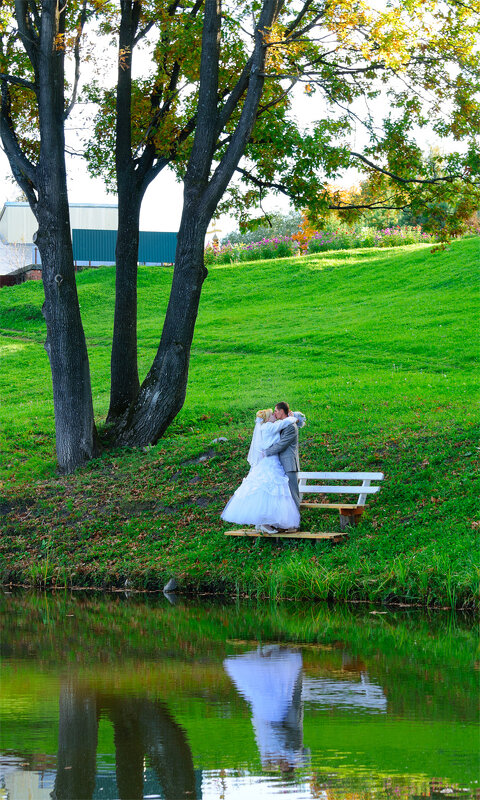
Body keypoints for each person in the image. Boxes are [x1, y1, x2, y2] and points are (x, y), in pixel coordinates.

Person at [221, 405, 305, 533]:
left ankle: (291, 524)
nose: (275, 414)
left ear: (282, 411)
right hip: (272, 462)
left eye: (276, 411)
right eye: (273, 413)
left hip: (287, 463)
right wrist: (293, 418)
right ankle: (268, 522)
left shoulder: (285, 426)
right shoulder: (271, 426)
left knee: (287, 493)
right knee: (272, 493)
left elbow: (282, 443)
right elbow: (280, 432)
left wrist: (295, 419)